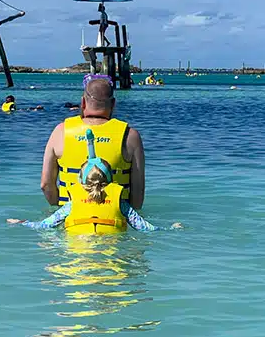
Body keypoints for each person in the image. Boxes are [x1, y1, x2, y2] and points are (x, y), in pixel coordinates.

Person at [11, 131, 180, 234]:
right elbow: (145, 228)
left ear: (82, 182)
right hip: (112, 247)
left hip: (79, 247)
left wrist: (22, 223)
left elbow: (45, 225)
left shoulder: (72, 203)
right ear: (110, 181)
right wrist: (171, 229)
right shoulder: (119, 202)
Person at [40, 74, 145, 210]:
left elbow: (45, 185)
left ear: (83, 102)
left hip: (72, 223)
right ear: (113, 104)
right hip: (115, 223)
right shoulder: (130, 136)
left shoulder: (61, 131)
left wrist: (61, 209)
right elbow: (138, 191)